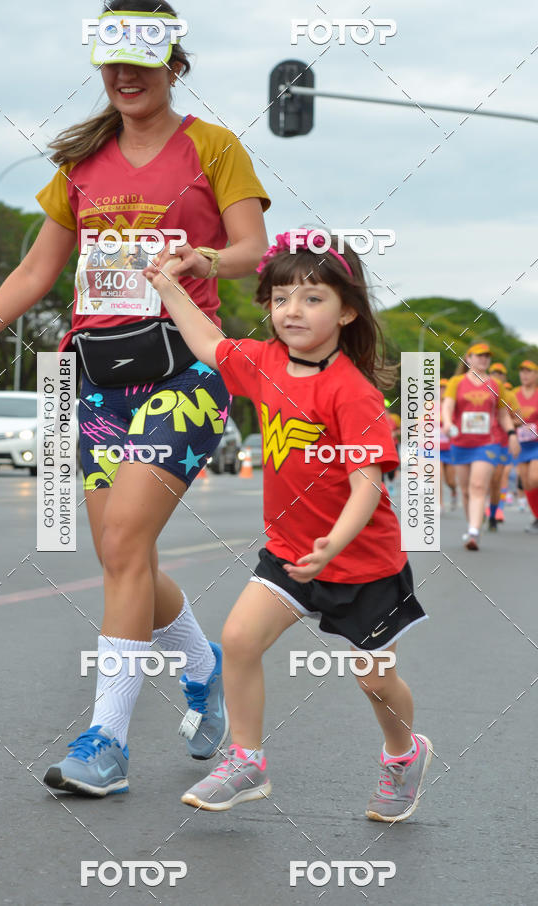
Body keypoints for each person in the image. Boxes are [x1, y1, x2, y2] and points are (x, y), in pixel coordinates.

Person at [0, 0, 270, 796]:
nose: (124, 77)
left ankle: (106, 743)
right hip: (97, 378)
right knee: (122, 554)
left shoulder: (214, 147)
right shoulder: (81, 165)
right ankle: (202, 668)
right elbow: (33, 273)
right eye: (111, 64)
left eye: (140, 64)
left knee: (123, 537)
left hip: (186, 371)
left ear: (172, 66)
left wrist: (205, 260)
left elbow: (253, 248)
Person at [145, 230, 432, 823]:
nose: (292, 311)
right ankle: (247, 759)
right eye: (280, 299)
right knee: (240, 640)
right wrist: (169, 286)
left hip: (363, 563)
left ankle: (404, 755)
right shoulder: (263, 364)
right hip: (288, 553)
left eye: (312, 298)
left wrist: (336, 543)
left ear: (346, 310)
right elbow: (206, 341)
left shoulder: (352, 393)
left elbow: (368, 484)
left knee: (376, 683)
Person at [442, 344, 519, 550]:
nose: (484, 359)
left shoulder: (496, 385)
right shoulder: (456, 382)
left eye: (487, 357)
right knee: (466, 490)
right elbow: (448, 405)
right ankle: (472, 525)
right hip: (460, 443)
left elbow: (502, 414)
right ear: (469, 358)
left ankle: (474, 531)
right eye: (480, 356)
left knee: (478, 486)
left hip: (487, 443)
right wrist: (448, 423)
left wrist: (511, 434)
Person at [484, 363, 514, 529]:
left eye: (500, 373)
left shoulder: (509, 395)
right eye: (494, 373)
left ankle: (494, 514)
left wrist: (508, 421)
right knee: (482, 480)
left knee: (496, 480)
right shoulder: (483, 390)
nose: (496, 375)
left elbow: (519, 418)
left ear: (504, 377)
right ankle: (480, 509)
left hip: (502, 443)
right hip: (482, 442)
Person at [511, 360, 538, 534]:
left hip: (537, 444)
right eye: (522, 371)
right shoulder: (513, 394)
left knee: (535, 477)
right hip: (521, 445)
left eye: (529, 371)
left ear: (536, 375)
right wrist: (515, 425)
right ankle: (536, 516)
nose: (525, 375)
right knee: (527, 483)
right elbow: (505, 415)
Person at [439, 378, 457, 512]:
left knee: (450, 481)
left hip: (450, 449)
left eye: (444, 388)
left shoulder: (452, 406)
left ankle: (453, 490)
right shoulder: (428, 405)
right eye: (439, 388)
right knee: (437, 476)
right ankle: (439, 504)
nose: (441, 391)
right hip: (435, 449)